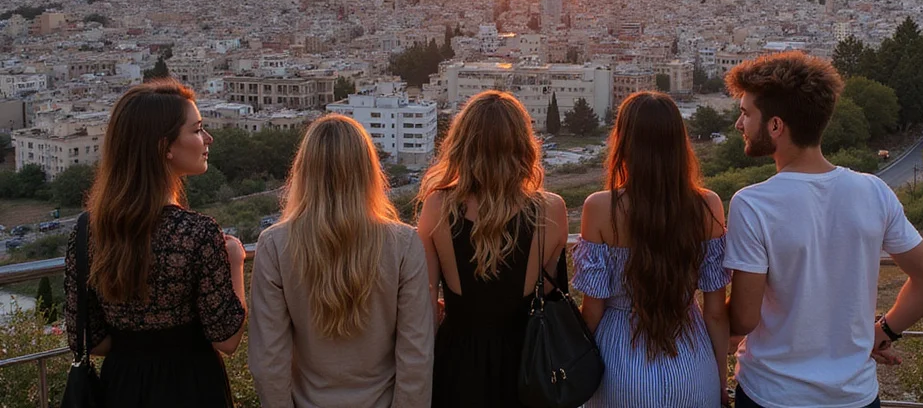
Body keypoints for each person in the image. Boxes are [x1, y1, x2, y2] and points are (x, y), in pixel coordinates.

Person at [723, 52, 923, 408]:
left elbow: (744, 318)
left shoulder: (753, 204)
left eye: (746, 113)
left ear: (776, 126)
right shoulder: (873, 190)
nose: (739, 124)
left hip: (774, 394)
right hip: (854, 396)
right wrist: (883, 332)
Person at [63, 80, 246, 408]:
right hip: (193, 387)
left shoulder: (89, 232)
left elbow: (92, 340)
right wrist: (234, 260)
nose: (208, 139)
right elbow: (228, 339)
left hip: (122, 387)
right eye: (197, 130)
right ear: (165, 147)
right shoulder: (196, 234)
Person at [248, 114, 433, 407]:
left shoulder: (274, 245)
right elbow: (416, 356)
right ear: (369, 171)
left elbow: (268, 359)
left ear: (303, 171)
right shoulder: (404, 244)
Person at [573, 91, 730, 408]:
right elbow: (715, 311)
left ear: (623, 141)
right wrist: (721, 383)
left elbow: (592, 311)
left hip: (617, 364)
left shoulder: (600, 208)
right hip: (691, 359)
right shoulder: (706, 206)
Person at [417, 90, 569, 408]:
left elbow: (426, 302)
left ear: (462, 145)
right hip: (526, 366)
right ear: (522, 145)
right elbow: (553, 293)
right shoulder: (551, 210)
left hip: (456, 363)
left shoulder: (437, 206)